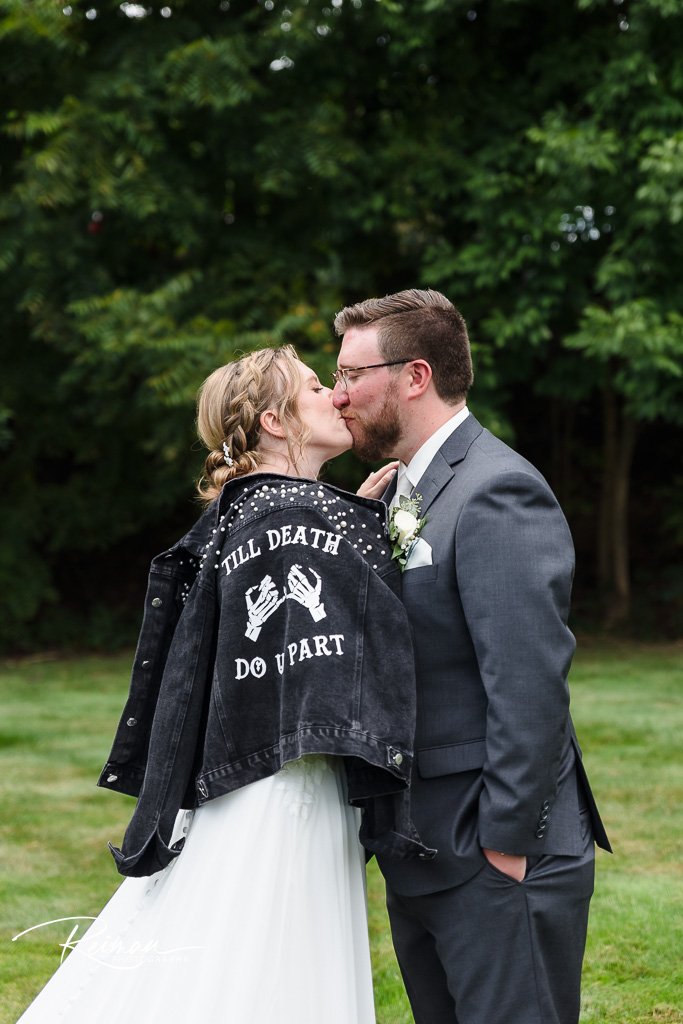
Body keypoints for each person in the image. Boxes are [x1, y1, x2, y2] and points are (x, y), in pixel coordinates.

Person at [16, 344, 428, 1024]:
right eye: (312, 388)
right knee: (271, 955)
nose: (335, 394)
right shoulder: (291, 514)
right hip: (287, 775)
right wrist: (358, 534)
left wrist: (346, 517)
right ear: (273, 421)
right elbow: (343, 649)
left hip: (239, 773)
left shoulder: (251, 510)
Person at [332, 289, 612, 1024]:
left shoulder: (497, 491)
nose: (337, 396)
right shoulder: (401, 489)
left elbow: (527, 682)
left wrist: (506, 845)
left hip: (491, 852)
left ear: (413, 376)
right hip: (420, 843)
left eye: (350, 374)